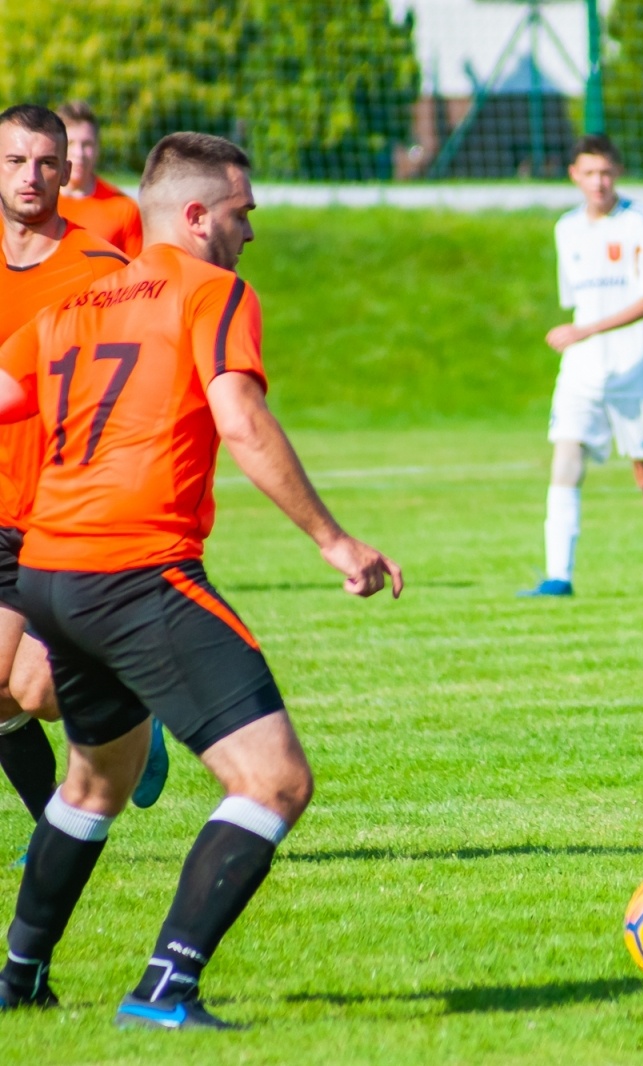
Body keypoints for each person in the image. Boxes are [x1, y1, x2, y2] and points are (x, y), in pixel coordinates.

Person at [0, 132, 401, 1028]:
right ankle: (165, 985)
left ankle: (16, 976)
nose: (248, 233)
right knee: (273, 782)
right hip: (132, 566)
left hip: (49, 573)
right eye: (241, 213)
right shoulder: (213, 291)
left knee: (97, 781)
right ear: (195, 215)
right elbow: (242, 422)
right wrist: (336, 543)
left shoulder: (75, 302)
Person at [0, 105, 168, 825]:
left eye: (45, 162)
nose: (30, 176)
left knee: (36, 691)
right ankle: (55, 834)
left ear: (69, 171)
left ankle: (140, 696)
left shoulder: (102, 271)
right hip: (2, 511)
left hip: (68, 518)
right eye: (14, 161)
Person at [524, 135, 643, 597]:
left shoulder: (640, 221)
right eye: (588, 173)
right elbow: (578, 299)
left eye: (605, 172)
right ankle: (557, 577)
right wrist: (581, 336)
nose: (598, 182)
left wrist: (584, 330)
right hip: (582, 374)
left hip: (635, 372)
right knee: (565, 462)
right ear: (574, 176)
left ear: (617, 173)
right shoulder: (566, 229)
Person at [55, 101, 143, 258]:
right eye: (71, 143)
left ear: (97, 149)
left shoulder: (124, 209)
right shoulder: (36, 204)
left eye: (87, 144)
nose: (79, 153)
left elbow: (138, 276)